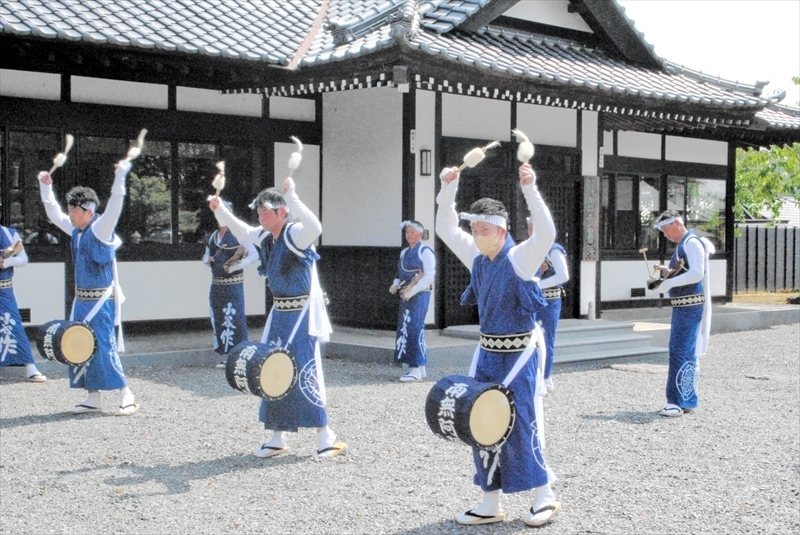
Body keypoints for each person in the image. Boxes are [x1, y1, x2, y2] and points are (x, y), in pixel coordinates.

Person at [435, 162, 560, 527]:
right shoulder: (478, 257)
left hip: (520, 351)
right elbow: (444, 227)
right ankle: (489, 500)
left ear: (502, 230)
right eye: (474, 229)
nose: (476, 235)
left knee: (522, 419)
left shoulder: (520, 257)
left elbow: (547, 233)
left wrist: (530, 188)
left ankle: (544, 494)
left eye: (483, 229)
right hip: (488, 350)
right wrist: (448, 189)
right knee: (480, 419)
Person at [208, 177, 346, 459]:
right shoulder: (265, 236)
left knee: (305, 369)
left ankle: (324, 435)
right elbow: (243, 231)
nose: (260, 218)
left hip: (302, 315)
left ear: (281, 213)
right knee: (270, 370)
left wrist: (293, 196)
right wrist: (219, 210)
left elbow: (315, 228)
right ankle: (277, 435)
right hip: (280, 312)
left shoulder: (295, 233)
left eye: (266, 213)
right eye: (259, 213)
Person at [38, 160, 138, 415]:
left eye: (74, 209)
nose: (70, 213)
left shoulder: (101, 229)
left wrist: (120, 176)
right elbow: (53, 214)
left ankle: (126, 392)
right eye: (70, 209)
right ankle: (93, 397)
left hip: (101, 301)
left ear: (89, 211)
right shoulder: (76, 231)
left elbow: (115, 205)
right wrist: (46, 189)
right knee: (80, 347)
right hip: (81, 300)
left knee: (103, 346)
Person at [649, 209, 714, 417]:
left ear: (677, 223)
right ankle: (686, 399)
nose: (664, 234)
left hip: (690, 306)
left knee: (680, 350)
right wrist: (664, 280)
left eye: (665, 228)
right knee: (685, 351)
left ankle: (676, 402)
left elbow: (697, 273)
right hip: (684, 305)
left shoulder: (692, 243)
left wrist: (667, 282)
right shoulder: (684, 245)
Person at [202, 205, 258, 369]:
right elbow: (206, 256)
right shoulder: (212, 237)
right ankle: (227, 355)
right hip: (217, 285)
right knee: (219, 318)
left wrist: (239, 264)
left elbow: (254, 254)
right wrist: (208, 260)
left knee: (235, 319)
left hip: (233, 285)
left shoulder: (239, 233)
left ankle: (240, 356)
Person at [389, 220, 436, 382]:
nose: (409, 235)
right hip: (406, 294)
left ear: (420, 234)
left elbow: (429, 276)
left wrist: (413, 290)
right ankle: (419, 368)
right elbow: (399, 273)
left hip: (420, 294)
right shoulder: (404, 253)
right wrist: (395, 285)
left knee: (414, 328)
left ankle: (415, 369)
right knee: (408, 328)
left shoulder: (425, 251)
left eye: (412, 232)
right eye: (407, 232)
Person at [0, 226, 46, 382]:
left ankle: (30, 367)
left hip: (4, 289)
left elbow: (23, 258)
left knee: (13, 325)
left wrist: (6, 262)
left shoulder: (9, 233)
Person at [528, 217, 569, 394]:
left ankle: (545, 377)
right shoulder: (529, 248)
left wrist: (538, 284)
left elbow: (563, 275)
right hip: (532, 299)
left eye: (534, 228)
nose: (531, 232)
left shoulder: (553, 250)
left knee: (545, 338)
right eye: (529, 228)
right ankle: (532, 375)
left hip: (549, 299)